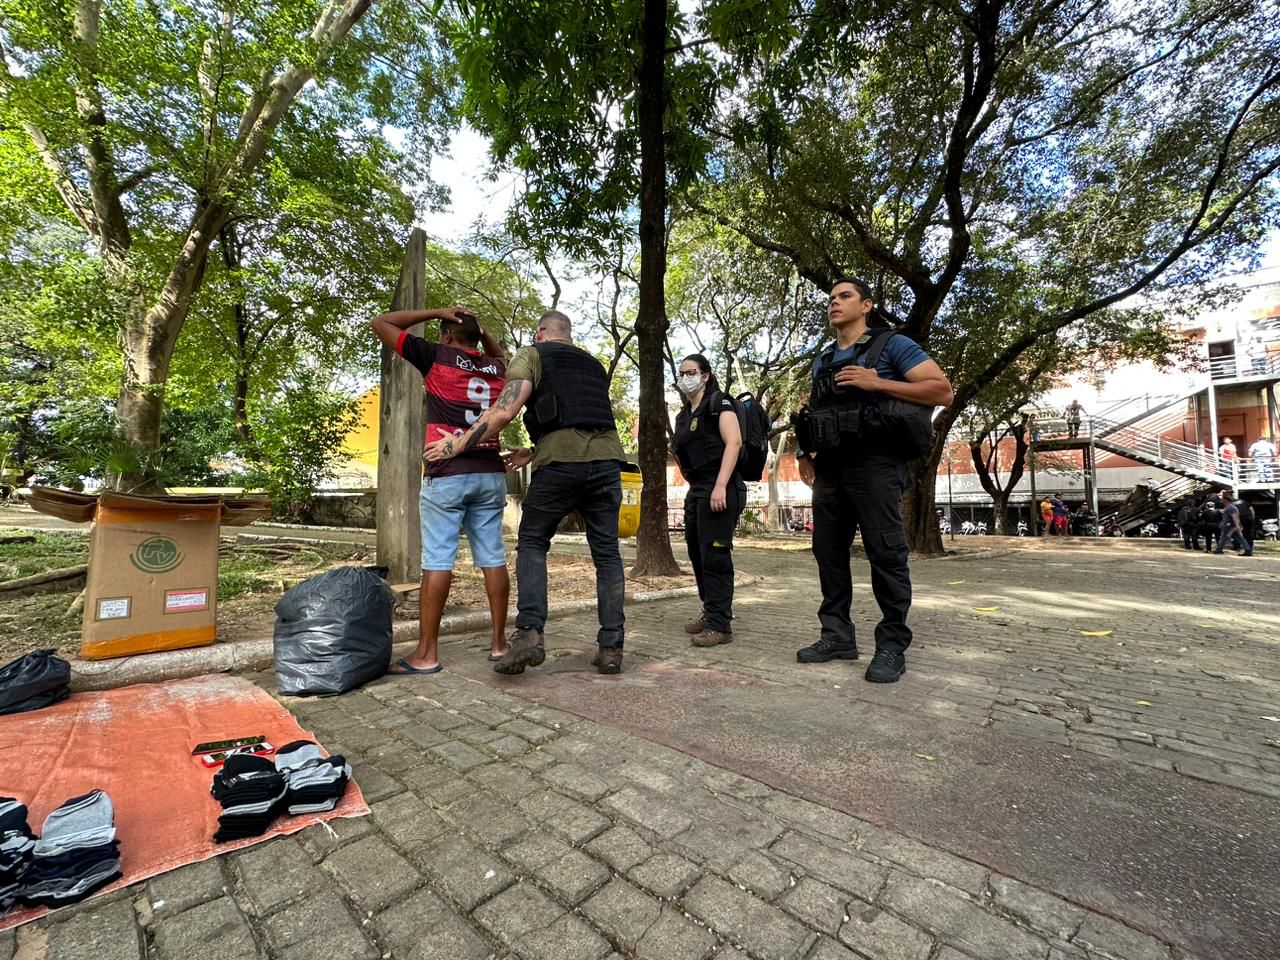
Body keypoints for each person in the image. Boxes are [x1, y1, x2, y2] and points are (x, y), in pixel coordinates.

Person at [424, 310, 628, 675]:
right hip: (609, 464)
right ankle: (611, 647)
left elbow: (504, 412)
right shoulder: (594, 365)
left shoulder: (532, 354)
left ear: (540, 333)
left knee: (533, 542)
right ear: (568, 334)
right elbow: (583, 421)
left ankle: (530, 634)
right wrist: (533, 452)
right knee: (608, 556)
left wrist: (455, 445)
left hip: (561, 468)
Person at [792, 277, 954, 683]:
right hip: (830, 467)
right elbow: (816, 411)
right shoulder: (824, 358)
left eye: (844, 296)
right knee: (828, 554)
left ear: (866, 305)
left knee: (885, 554)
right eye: (830, 298)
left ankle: (892, 645)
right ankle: (837, 636)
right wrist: (803, 453)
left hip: (876, 465)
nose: (834, 303)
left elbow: (942, 391)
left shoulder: (891, 345)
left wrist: (876, 381)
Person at [371, 305, 509, 675]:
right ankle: (499, 644)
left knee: (438, 559)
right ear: (478, 337)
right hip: (491, 473)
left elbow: (381, 323)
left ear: (447, 336)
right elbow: (501, 357)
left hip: (447, 472)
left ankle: (427, 654)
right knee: (493, 557)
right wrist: (481, 334)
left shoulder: (436, 356)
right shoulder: (498, 368)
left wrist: (437, 311)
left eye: (441, 331)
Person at [672, 355, 745, 647]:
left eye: (692, 372)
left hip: (721, 486)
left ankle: (720, 624)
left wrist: (720, 485)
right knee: (697, 554)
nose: (685, 377)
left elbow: (734, 442)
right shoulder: (684, 414)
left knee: (715, 556)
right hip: (698, 489)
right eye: (682, 373)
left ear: (705, 376)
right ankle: (709, 609)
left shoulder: (719, 403)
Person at [1214, 491, 1252, 556]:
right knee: (1237, 538)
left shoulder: (1231, 507)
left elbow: (1235, 517)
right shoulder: (1229, 507)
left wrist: (1237, 525)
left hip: (1230, 526)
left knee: (1225, 537)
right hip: (1230, 525)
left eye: (1222, 498)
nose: (1221, 500)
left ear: (1226, 500)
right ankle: (1247, 550)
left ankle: (1219, 550)